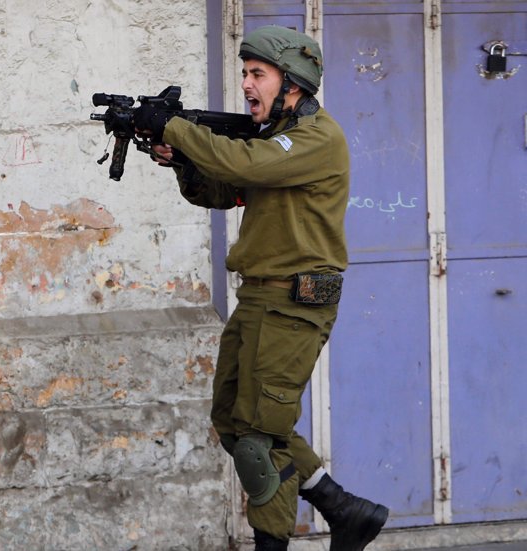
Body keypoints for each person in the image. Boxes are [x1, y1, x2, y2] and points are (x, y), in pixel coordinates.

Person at [134, 26, 389, 551]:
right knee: (233, 419)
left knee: (259, 437)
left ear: (292, 85)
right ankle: (344, 509)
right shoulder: (273, 142)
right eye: (245, 73)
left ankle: (276, 543)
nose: (247, 84)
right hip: (259, 297)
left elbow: (243, 163)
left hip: (296, 302)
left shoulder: (317, 139)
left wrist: (178, 128)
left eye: (258, 74)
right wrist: (178, 157)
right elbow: (224, 190)